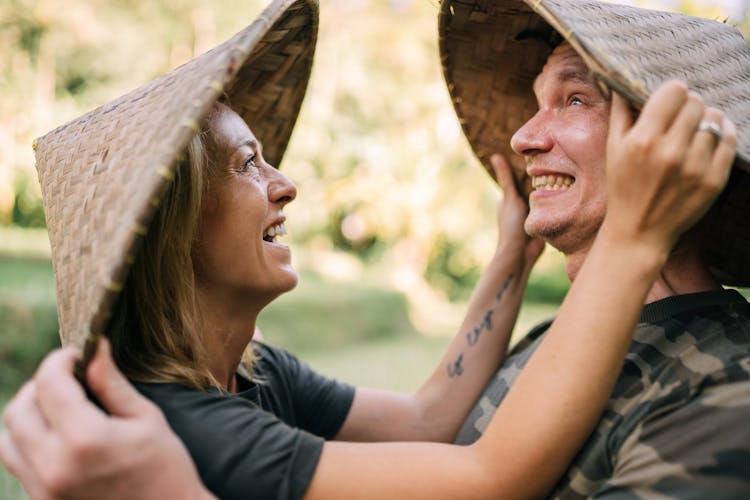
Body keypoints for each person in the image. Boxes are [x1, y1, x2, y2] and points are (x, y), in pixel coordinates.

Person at [0, 0, 738, 499]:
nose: (284, 183)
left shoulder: (254, 375)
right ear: (175, 232)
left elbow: (427, 421)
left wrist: (514, 253)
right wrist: (637, 237)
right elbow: (487, 474)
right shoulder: (176, 418)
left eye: (573, 99)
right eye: (247, 163)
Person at [439, 0, 750, 497]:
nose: (523, 138)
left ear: (674, 147)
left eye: (575, 99)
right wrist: (511, 259)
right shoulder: (549, 340)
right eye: (538, 102)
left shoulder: (729, 386)